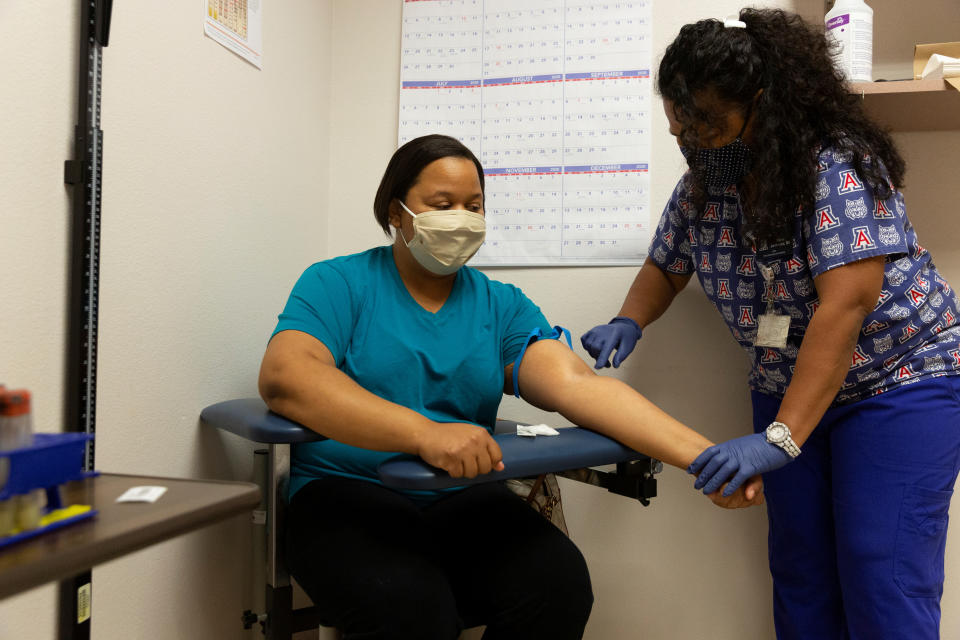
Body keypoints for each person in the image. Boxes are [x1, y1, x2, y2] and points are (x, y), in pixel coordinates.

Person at [259, 134, 761, 640]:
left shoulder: (502, 306)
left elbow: (579, 388)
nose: (461, 217)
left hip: (457, 497)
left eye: (473, 205)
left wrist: (709, 458)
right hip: (344, 493)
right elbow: (287, 378)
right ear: (397, 210)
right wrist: (421, 433)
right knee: (410, 608)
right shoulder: (339, 284)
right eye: (442, 204)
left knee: (557, 586)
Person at [581, 9, 960, 640]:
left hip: (899, 378)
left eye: (709, 125)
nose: (695, 143)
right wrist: (630, 319)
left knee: (880, 570)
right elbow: (668, 263)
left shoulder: (836, 167)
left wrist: (783, 437)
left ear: (762, 103)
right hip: (786, 380)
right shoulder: (704, 183)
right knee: (801, 570)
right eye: (682, 129)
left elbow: (844, 308)